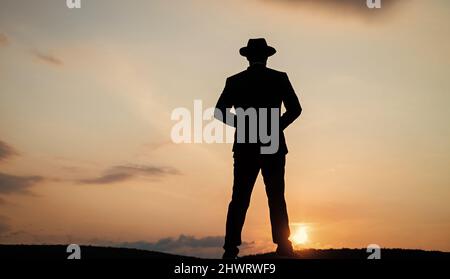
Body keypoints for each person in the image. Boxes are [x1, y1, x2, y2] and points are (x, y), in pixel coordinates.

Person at [215, 38, 302, 259]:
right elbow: (296, 109)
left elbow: (219, 112)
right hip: (272, 144)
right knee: (276, 196)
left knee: (240, 197)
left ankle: (230, 249)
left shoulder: (235, 81)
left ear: (247, 57)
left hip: (245, 145)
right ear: (266, 56)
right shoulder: (279, 78)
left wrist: (243, 124)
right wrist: (275, 127)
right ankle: (283, 245)